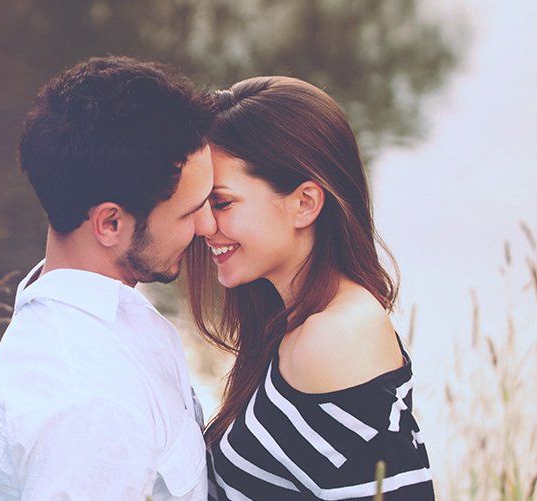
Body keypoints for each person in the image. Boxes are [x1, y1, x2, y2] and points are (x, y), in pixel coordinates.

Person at [0, 56, 216, 500]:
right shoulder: (90, 404)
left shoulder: (106, 314)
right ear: (110, 224)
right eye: (189, 213)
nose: (208, 226)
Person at [184, 77, 434, 500]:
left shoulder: (336, 337)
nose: (204, 224)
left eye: (222, 203)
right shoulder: (294, 322)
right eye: (201, 203)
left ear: (305, 204)